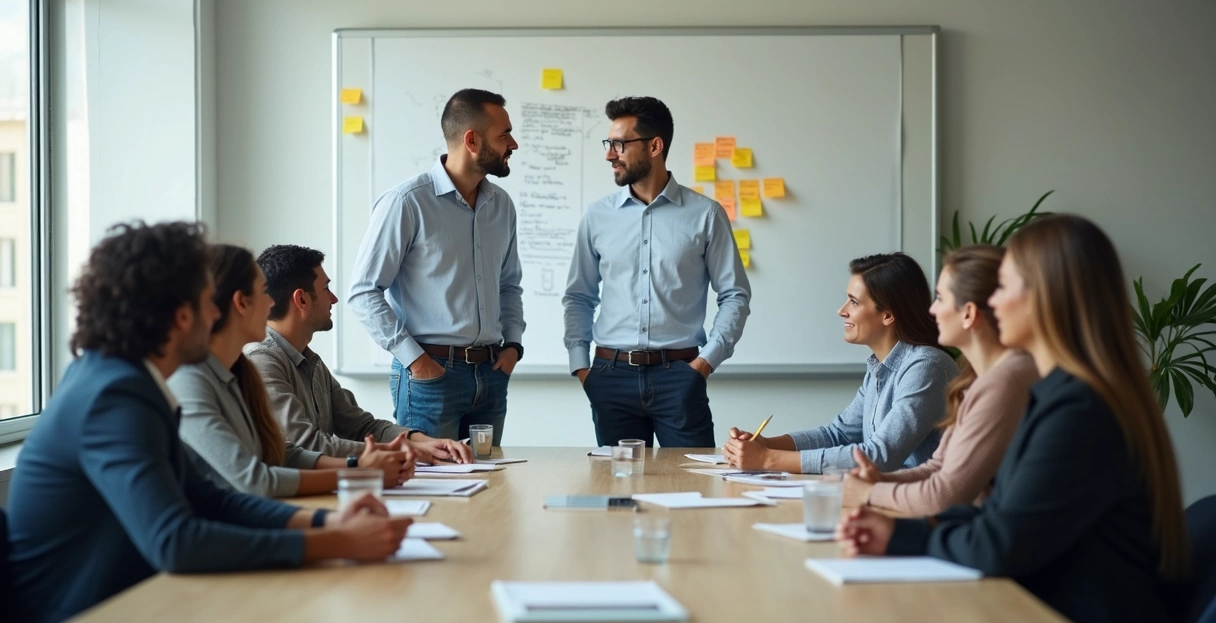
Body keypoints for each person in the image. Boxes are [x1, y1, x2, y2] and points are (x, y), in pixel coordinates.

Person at [6, 222, 412, 623]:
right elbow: (176, 542)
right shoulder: (114, 398)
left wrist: (329, 521)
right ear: (182, 316)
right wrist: (335, 542)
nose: (217, 313)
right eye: (207, 302)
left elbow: (213, 499)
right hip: (90, 613)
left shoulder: (127, 381)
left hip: (137, 598)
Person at [837, 215, 1189, 623]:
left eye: (1003, 287)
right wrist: (892, 521)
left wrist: (897, 532)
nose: (992, 302)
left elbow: (999, 543)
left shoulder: (1079, 410)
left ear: (1046, 297)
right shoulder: (1060, 393)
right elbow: (1001, 515)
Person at [563, 96, 751, 448]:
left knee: (691, 489)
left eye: (619, 144)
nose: (609, 154)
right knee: (620, 496)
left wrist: (705, 364)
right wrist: (582, 367)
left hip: (679, 376)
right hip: (610, 376)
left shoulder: (705, 215)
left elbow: (734, 295)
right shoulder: (597, 216)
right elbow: (579, 296)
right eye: (609, 144)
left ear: (654, 146)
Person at [347, 88, 524, 444]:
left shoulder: (501, 205)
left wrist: (513, 348)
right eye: (504, 134)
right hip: (431, 376)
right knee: (431, 490)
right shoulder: (407, 203)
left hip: (491, 373)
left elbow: (509, 284)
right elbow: (364, 292)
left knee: (489, 490)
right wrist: (416, 361)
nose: (513, 144)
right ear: (472, 140)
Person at [170, 245, 416, 497]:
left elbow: (281, 451)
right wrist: (361, 472)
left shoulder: (239, 370)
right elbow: (255, 480)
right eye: (263, 292)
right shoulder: (194, 380)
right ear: (241, 303)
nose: (271, 303)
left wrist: (376, 459)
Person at [843, 245, 1038, 514]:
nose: (932, 311)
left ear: (968, 313)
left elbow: (944, 494)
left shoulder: (1004, 380)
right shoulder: (977, 377)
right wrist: (875, 482)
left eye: (940, 299)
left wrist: (870, 491)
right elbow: (938, 466)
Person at [724, 253, 956, 473]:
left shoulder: (926, 367)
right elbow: (838, 435)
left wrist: (767, 459)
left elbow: (880, 457)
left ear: (887, 315)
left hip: (926, 509)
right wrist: (764, 444)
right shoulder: (880, 367)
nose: (841, 311)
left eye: (854, 302)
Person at [248, 245, 470, 464]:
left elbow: (363, 427)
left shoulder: (311, 361)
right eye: (326, 288)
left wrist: (425, 442)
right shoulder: (262, 362)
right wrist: (405, 451)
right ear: (302, 300)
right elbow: (307, 445)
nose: (333, 299)